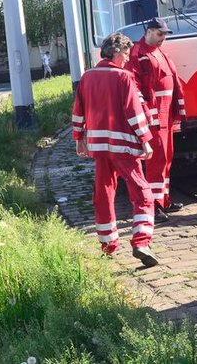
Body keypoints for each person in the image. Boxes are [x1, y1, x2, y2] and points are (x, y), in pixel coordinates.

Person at [72, 32, 159, 267]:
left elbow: (79, 110)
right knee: (142, 192)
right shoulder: (124, 77)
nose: (128, 57)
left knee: (103, 193)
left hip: (99, 147)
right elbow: (134, 112)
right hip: (123, 146)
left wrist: (79, 138)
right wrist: (145, 140)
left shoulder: (87, 77)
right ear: (117, 52)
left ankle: (108, 244)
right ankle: (141, 241)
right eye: (127, 53)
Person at [127, 18, 186, 223]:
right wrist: (146, 112)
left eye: (165, 35)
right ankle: (153, 205)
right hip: (154, 115)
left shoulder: (157, 51)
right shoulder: (138, 53)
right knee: (156, 161)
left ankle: (164, 199)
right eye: (160, 34)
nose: (163, 39)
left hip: (165, 113)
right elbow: (133, 85)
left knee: (167, 158)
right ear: (149, 31)